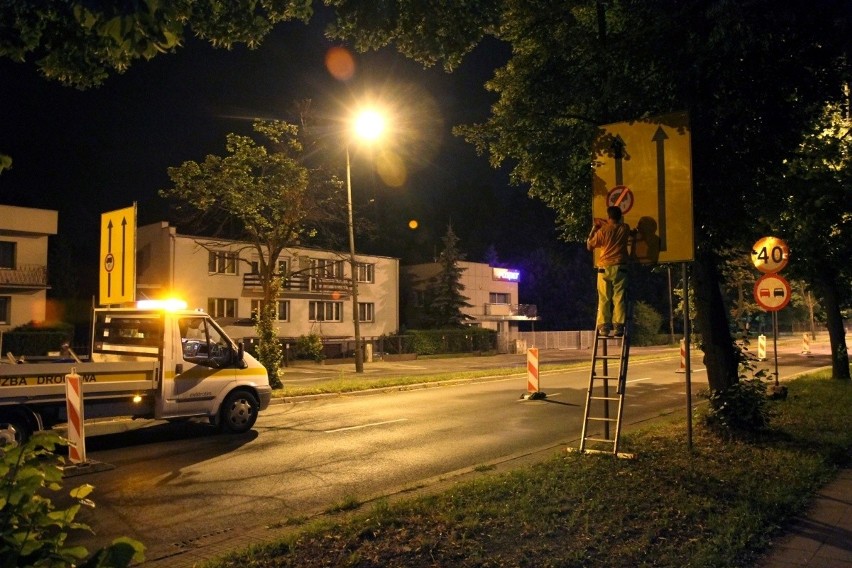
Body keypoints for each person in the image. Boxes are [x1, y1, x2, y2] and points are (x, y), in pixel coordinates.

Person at [586, 206, 631, 337]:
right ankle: (619, 327)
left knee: (604, 298)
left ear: (608, 216)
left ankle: (604, 327)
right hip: (620, 268)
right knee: (619, 297)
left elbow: (590, 245)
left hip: (604, 268)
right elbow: (624, 228)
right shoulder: (625, 228)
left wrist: (594, 228)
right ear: (620, 216)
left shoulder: (603, 231)